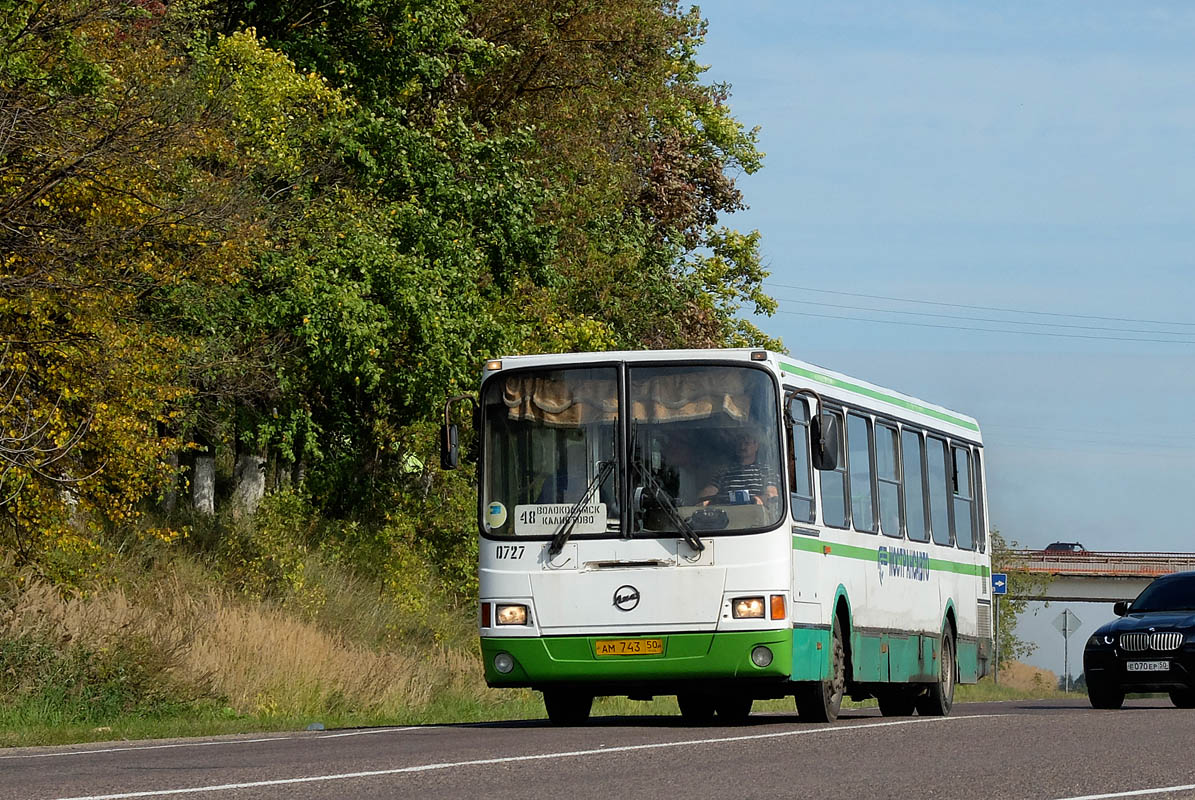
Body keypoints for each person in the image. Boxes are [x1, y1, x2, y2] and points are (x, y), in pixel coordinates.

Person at [698, 429, 779, 506]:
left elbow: (772, 494)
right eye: (739, 443)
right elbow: (710, 490)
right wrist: (702, 500)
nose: (742, 447)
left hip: (757, 517)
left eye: (746, 443)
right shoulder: (724, 471)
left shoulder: (765, 471)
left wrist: (759, 499)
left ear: (756, 446)